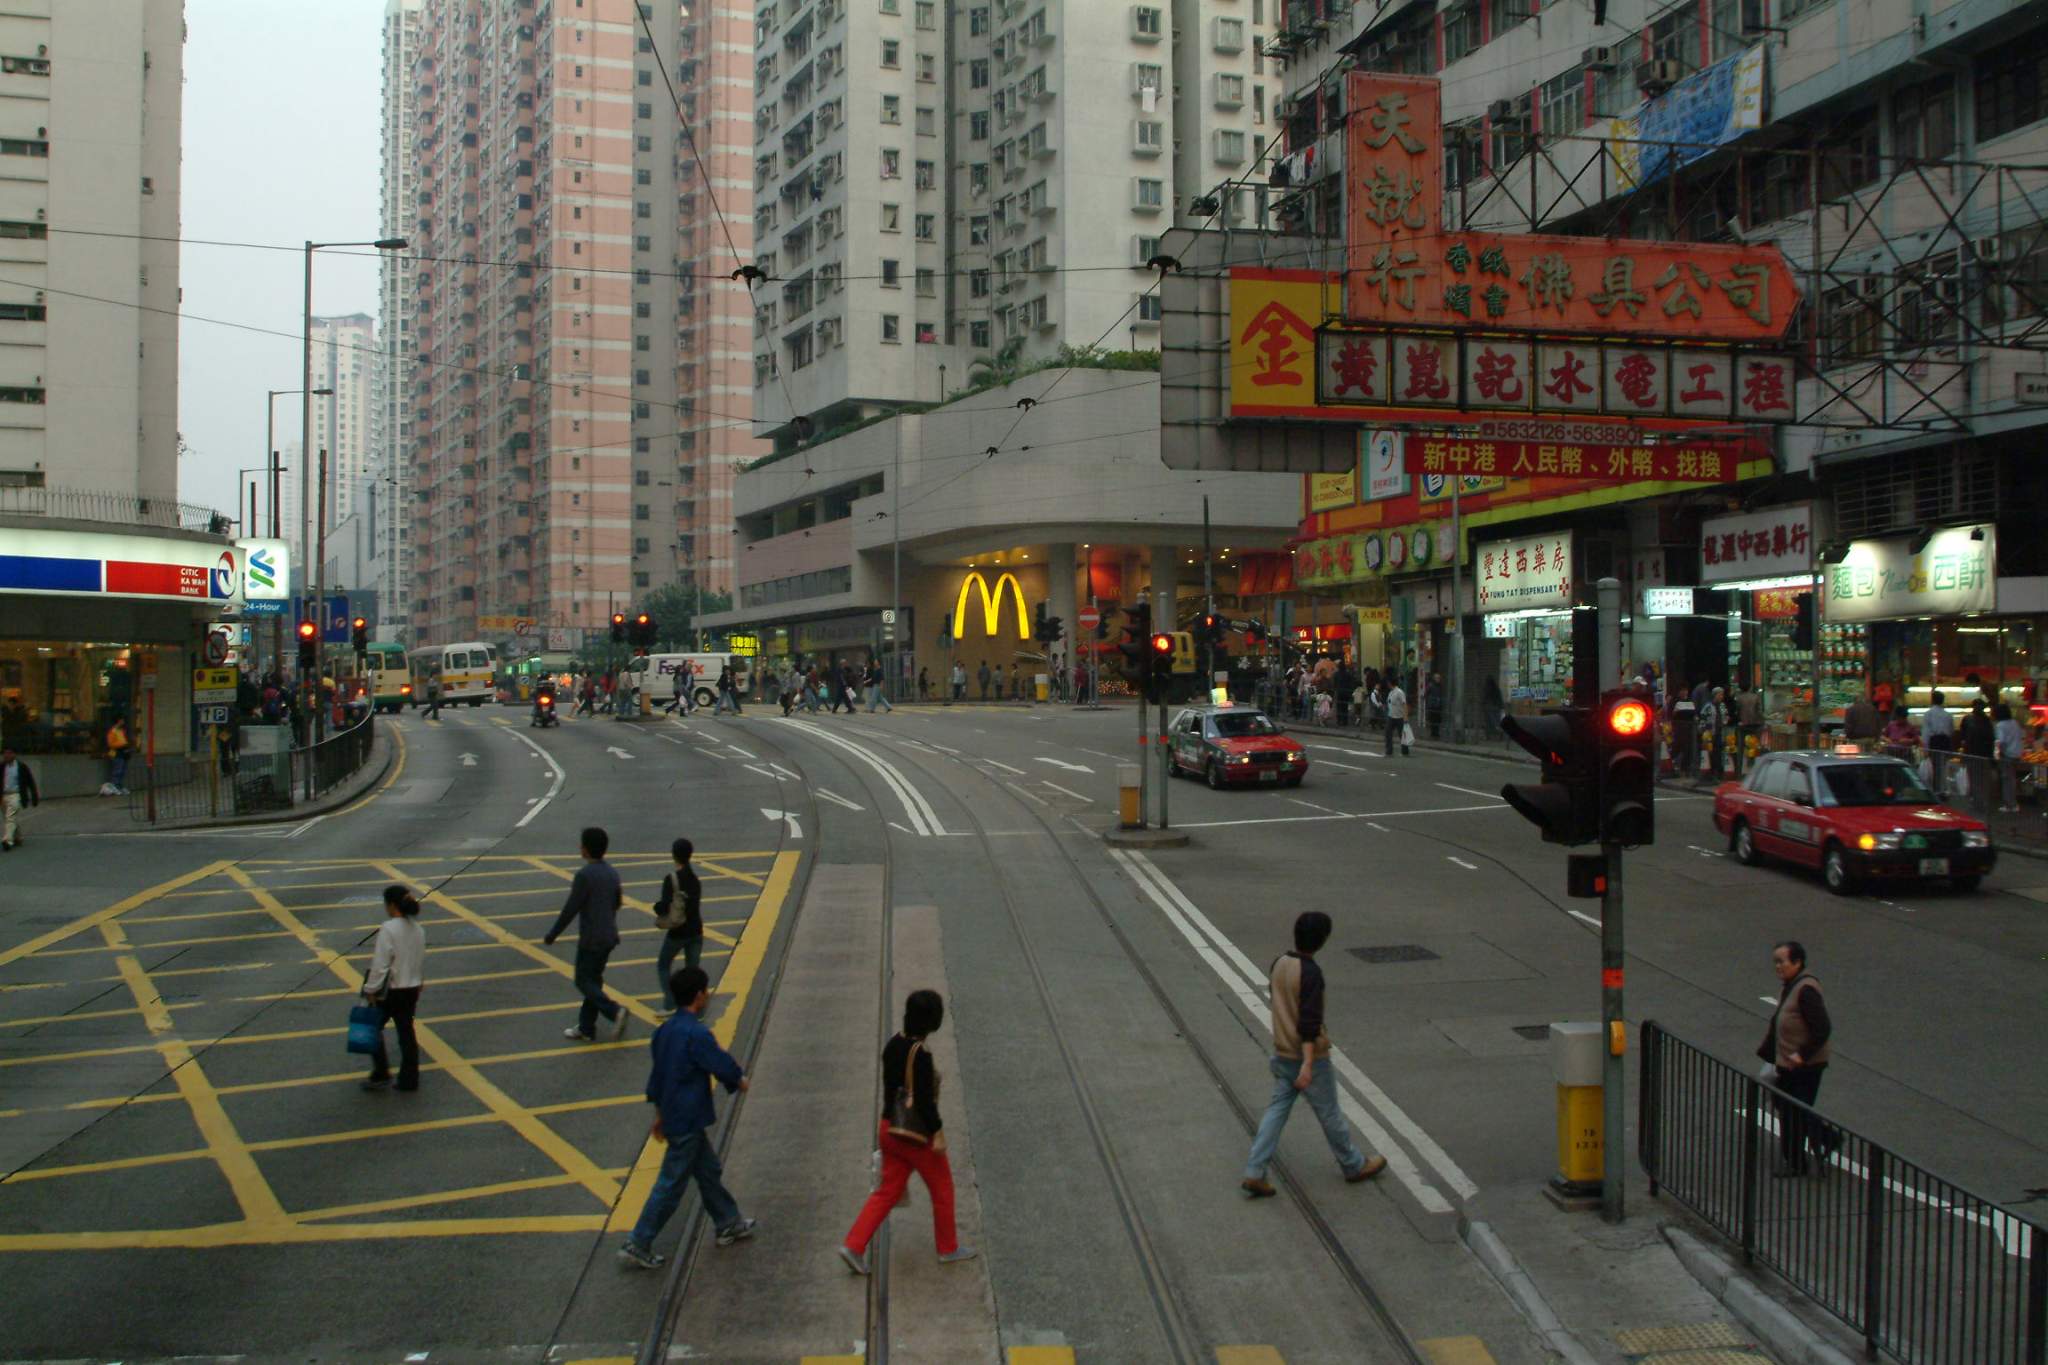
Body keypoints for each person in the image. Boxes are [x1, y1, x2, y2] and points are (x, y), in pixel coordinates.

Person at [618, 965, 756, 1268]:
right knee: (671, 1183)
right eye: (706, 991)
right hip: (688, 1117)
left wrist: (659, 1114)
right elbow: (718, 1062)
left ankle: (728, 1221)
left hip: (674, 1113)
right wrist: (738, 1079)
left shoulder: (664, 1032)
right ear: (699, 995)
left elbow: (658, 1076)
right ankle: (638, 1241)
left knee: (707, 1170)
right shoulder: (696, 1033)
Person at [1241, 912, 1387, 1197]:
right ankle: (1353, 1164)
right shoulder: (1310, 973)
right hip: (1308, 1059)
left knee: (1276, 1112)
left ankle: (1255, 1171)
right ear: (1322, 940)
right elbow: (1309, 1024)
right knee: (1330, 1112)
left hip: (1282, 1053)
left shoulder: (1279, 963)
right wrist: (1308, 1063)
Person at [838, 989, 977, 1273]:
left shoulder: (892, 1044)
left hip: (889, 1128)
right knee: (942, 1187)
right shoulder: (921, 1055)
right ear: (932, 1022)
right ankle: (948, 1247)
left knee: (887, 1191)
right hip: (915, 1136)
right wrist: (937, 1132)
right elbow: (924, 1103)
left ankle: (854, 1244)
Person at [543, 826, 628, 1042]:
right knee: (594, 980)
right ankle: (586, 1027)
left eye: (582, 844)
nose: (579, 847)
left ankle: (614, 1011)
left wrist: (553, 934)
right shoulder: (612, 872)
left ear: (587, 849)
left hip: (592, 938)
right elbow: (617, 902)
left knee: (582, 980)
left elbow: (571, 909)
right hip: (609, 936)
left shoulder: (584, 875)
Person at [1756, 941, 1834, 1177]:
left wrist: (1802, 1055)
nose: (1778, 966)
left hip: (1804, 1066)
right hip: (1789, 1063)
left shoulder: (1806, 990)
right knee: (1790, 1107)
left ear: (1797, 962)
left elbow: (1822, 1028)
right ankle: (1826, 1139)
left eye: (1782, 961)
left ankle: (1796, 1162)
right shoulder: (1791, 986)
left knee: (1793, 1112)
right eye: (1775, 962)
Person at [361, 885, 426, 1092]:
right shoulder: (418, 929)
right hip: (411, 988)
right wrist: (419, 980)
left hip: (391, 990)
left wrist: (370, 989)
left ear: (391, 905)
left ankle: (381, 1073)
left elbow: (381, 964)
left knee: (371, 1027)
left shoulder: (388, 928)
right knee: (406, 1033)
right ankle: (409, 1079)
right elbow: (417, 958)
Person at [654, 838, 704, 1012]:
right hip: (696, 931)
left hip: (678, 933)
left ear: (674, 855)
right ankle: (696, 1008)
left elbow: (664, 906)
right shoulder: (695, 879)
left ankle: (670, 1004)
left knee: (663, 964)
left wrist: (656, 907)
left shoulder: (672, 879)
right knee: (693, 972)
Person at [1961, 698, 1996, 811]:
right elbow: (1991, 739)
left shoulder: (1968, 719)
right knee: (1982, 779)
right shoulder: (1987, 721)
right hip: (1984, 754)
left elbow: (1963, 736)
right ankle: (1982, 801)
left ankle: (1976, 801)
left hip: (1971, 753)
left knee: (1973, 778)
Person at [1, 744, 38, 851]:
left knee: (10, 816)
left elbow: (30, 782)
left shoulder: (21, 767)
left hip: (16, 794)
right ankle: (17, 836)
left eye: (9, 753)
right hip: (4, 795)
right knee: (9, 818)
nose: (6, 755)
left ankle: (7, 840)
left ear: (14, 754)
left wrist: (34, 796)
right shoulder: (2, 767)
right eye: (5, 753)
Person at [1921, 690, 1955, 795]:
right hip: (1945, 741)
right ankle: (1942, 788)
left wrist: (1925, 747)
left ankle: (1936, 789)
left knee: (1935, 766)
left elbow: (1926, 732)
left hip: (1934, 741)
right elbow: (1951, 731)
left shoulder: (1928, 714)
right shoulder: (1948, 715)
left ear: (1932, 700)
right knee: (1943, 766)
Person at [1994, 702, 2026, 813]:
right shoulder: (2015, 723)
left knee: (2007, 780)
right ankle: (2014, 803)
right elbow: (2021, 735)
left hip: (2007, 755)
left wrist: (1997, 753)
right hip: (2017, 754)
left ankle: (2010, 804)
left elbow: (2000, 741)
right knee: (2012, 779)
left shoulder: (2000, 725)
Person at [1734, 681, 1765, 775]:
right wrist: (1763, 720)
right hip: (1756, 725)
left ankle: (1739, 771)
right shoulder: (1755, 697)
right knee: (1755, 747)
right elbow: (1759, 711)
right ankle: (1755, 769)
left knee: (1741, 748)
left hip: (1743, 725)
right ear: (1750, 687)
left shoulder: (1738, 698)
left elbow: (1736, 712)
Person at [1702, 686, 1727, 782]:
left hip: (1720, 732)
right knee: (1711, 753)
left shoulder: (1722, 706)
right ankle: (1711, 773)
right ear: (1715, 695)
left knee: (1719, 753)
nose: (1721, 696)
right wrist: (1704, 730)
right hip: (1710, 733)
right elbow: (1703, 717)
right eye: (1720, 694)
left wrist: (1725, 720)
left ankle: (1719, 773)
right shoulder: (1708, 706)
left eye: (1722, 695)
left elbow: (1726, 716)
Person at [104, 715, 131, 796]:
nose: (123, 722)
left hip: (123, 752)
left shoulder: (121, 730)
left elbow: (124, 740)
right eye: (122, 720)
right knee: (117, 771)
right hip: (116, 753)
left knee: (122, 770)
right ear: (118, 721)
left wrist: (126, 746)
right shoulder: (112, 731)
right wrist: (122, 745)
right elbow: (110, 744)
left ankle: (119, 786)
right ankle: (114, 786)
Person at [1382, 677, 1410, 756]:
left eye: (1388, 683)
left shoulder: (1399, 692)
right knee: (1388, 733)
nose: (1387, 684)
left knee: (1402, 735)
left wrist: (1406, 716)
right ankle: (1389, 751)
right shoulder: (1391, 692)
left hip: (1399, 717)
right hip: (1391, 716)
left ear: (1391, 683)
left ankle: (1405, 751)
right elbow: (1389, 702)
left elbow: (1404, 704)